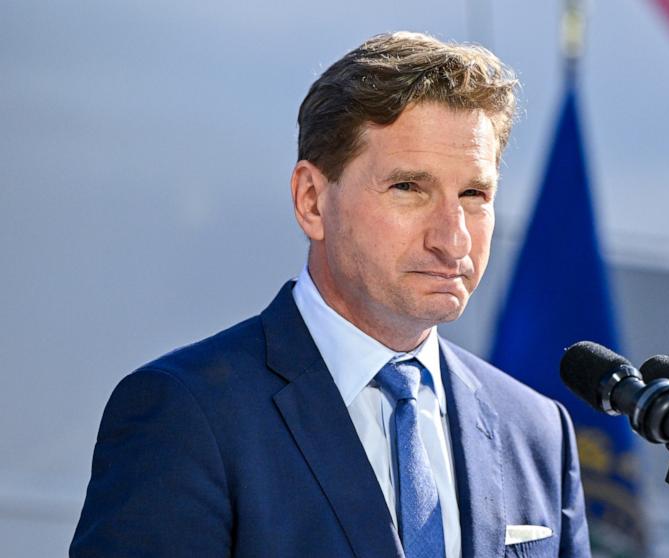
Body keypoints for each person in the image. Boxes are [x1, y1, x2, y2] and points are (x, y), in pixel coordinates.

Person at [70, 31, 591, 557]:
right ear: (313, 201)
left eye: (474, 194)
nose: (453, 239)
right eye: (409, 187)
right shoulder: (185, 414)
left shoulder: (537, 431)